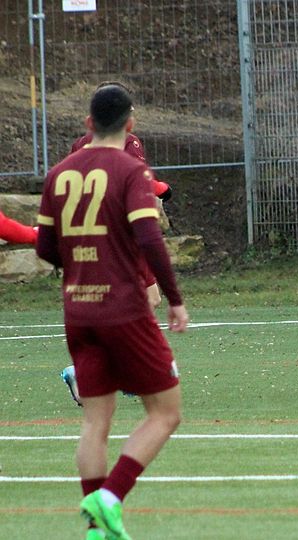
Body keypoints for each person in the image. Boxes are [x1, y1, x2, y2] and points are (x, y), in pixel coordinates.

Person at [35, 83, 189, 540]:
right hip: (122, 308)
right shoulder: (130, 169)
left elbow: (45, 248)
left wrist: (80, 265)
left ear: (88, 124)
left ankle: (96, 529)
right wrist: (174, 298)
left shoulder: (59, 173)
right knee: (165, 412)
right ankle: (111, 497)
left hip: (78, 311)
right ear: (130, 123)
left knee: (95, 422)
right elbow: (149, 238)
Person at [61, 81, 175, 407]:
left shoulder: (78, 145)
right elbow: (138, 180)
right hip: (122, 238)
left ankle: (104, 372)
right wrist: (163, 190)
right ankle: (122, 371)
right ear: (126, 116)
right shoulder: (129, 141)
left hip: (88, 241)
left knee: (118, 307)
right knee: (148, 299)